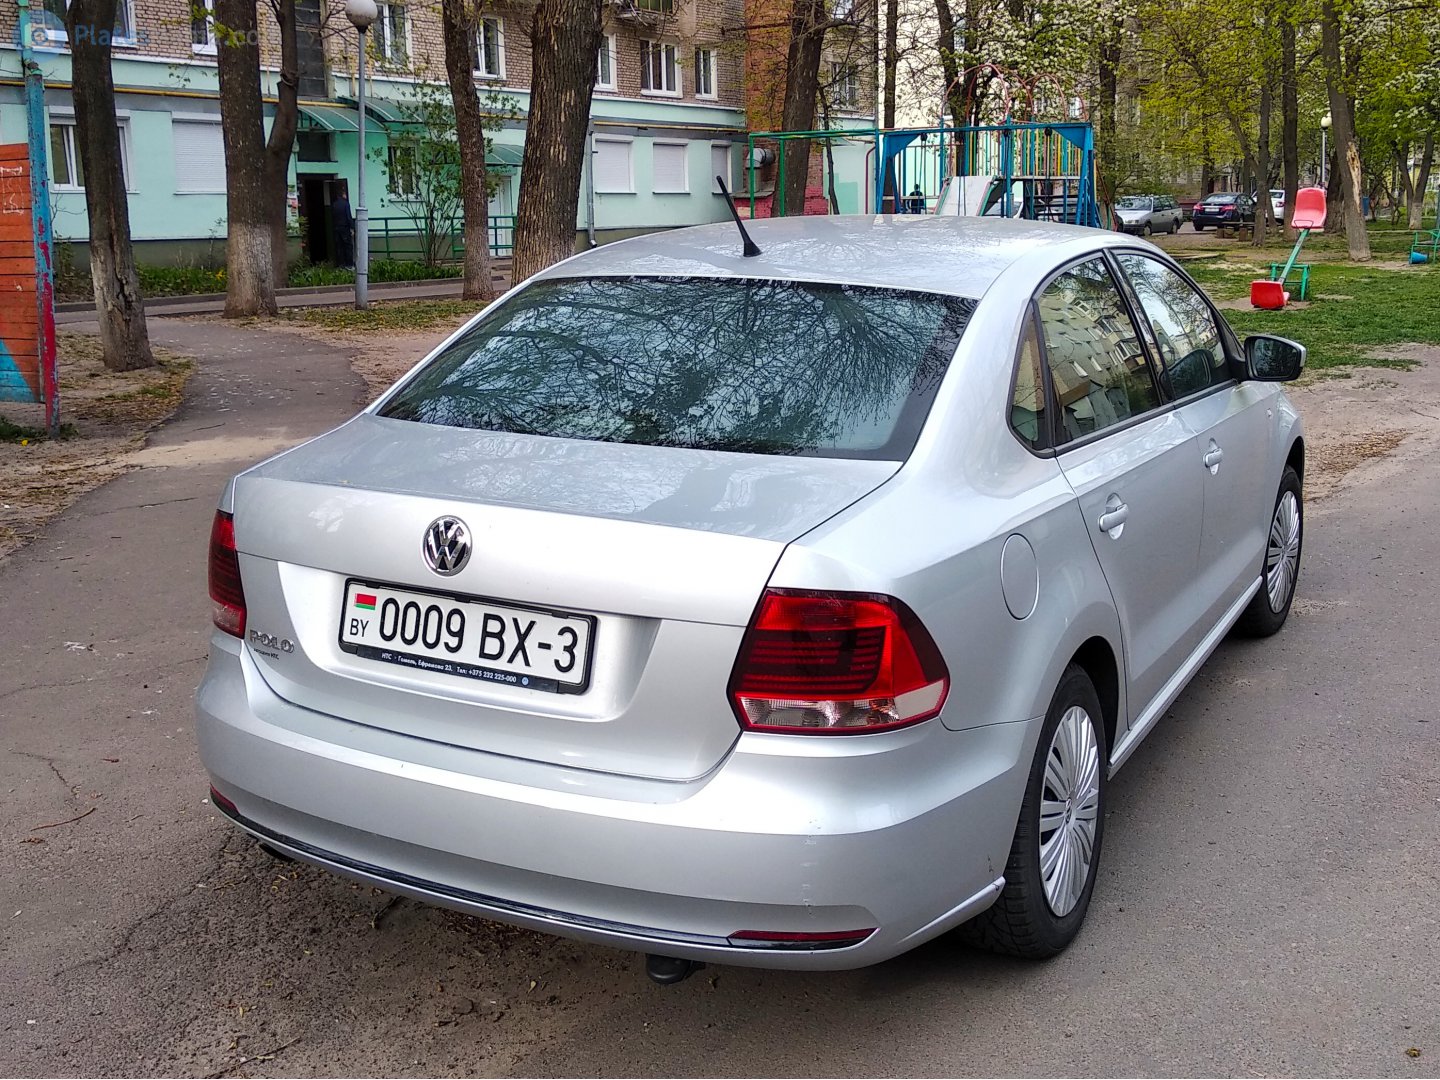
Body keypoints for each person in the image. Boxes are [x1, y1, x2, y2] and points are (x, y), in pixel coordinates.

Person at [332, 185, 355, 269]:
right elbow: (348, 216)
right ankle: (349, 264)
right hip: (345, 228)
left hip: (337, 228)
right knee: (348, 246)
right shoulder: (345, 204)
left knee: (339, 247)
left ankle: (340, 264)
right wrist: (352, 228)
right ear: (343, 194)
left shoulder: (334, 204)